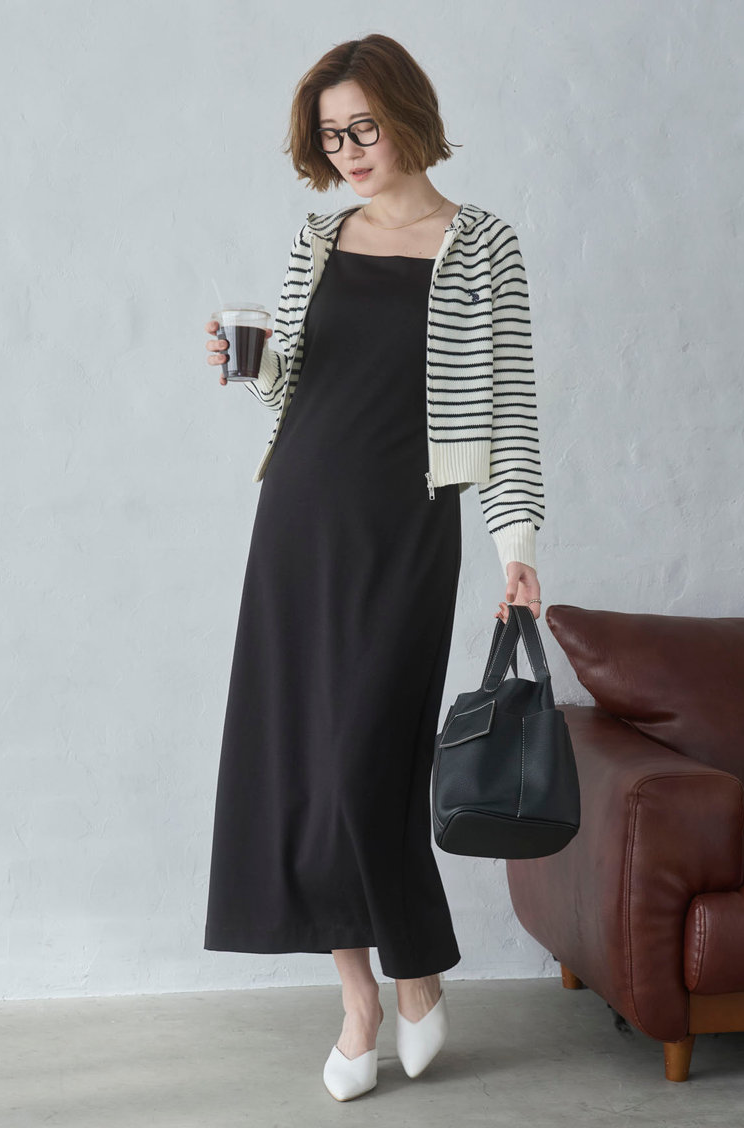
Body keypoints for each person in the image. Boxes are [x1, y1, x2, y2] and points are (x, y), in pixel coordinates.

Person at [202, 33, 545, 1101]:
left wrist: (518, 549)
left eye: (363, 127)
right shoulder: (320, 236)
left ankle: (418, 969)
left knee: (367, 761)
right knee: (304, 766)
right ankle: (361, 996)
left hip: (407, 527)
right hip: (299, 516)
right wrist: (249, 363)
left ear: (406, 117)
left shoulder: (482, 245)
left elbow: (510, 408)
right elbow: (297, 383)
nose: (348, 151)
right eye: (330, 135)